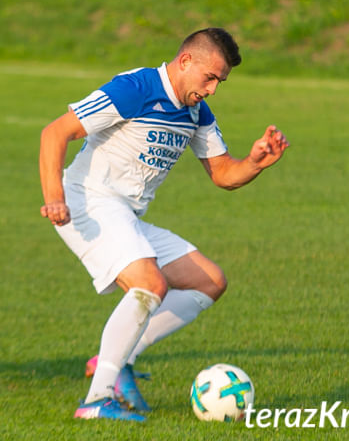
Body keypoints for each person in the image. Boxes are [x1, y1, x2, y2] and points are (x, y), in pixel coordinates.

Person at [38, 27, 289, 421]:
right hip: (87, 203)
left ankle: (118, 360)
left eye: (220, 82)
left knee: (210, 281)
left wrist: (255, 162)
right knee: (149, 283)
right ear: (186, 61)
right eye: (210, 78)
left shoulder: (197, 113)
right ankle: (97, 400)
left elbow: (223, 174)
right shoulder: (135, 88)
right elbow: (55, 133)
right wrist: (54, 196)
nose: (212, 89)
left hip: (124, 215)